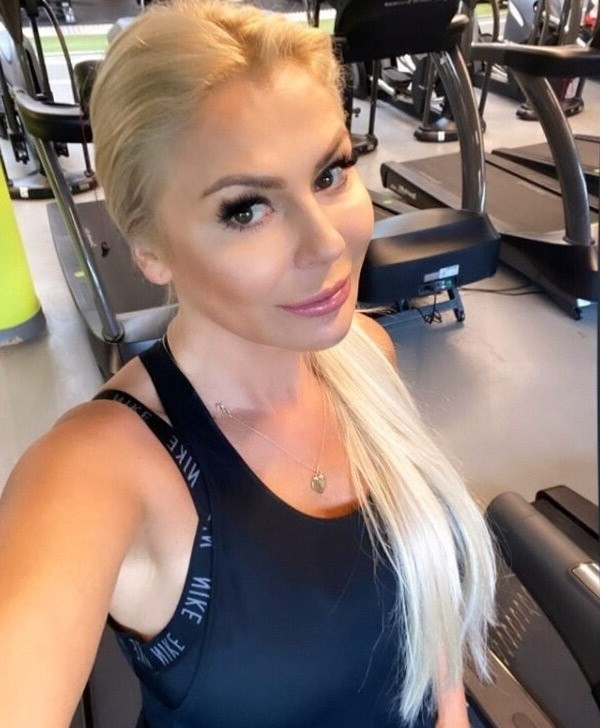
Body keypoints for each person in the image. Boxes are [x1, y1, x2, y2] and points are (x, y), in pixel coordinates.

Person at [0, 1, 496, 726]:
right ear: (150, 250)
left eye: (330, 173)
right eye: (245, 209)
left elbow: (429, 617)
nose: (326, 244)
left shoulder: (366, 352)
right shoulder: (95, 473)